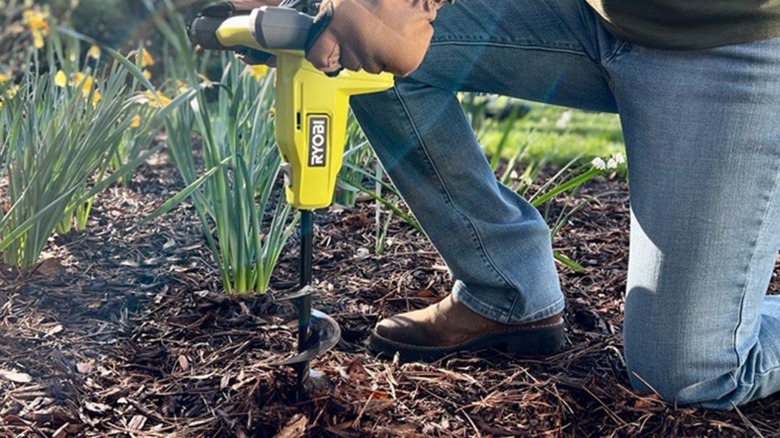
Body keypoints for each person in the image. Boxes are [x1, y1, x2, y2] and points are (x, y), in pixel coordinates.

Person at [200, 0, 780, 409]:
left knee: (689, 375)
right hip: (596, 14)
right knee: (367, 52)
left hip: (733, 38)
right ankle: (507, 289)